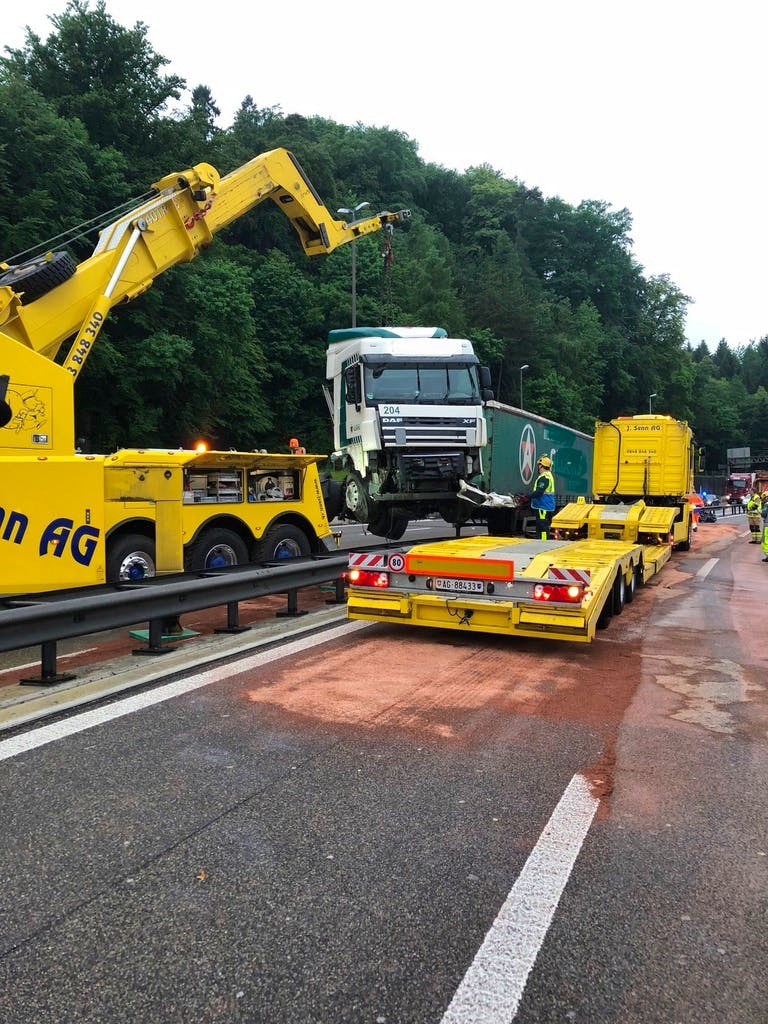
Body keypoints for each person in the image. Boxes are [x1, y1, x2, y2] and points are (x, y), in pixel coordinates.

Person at [529, 455, 556, 539]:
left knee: (542, 526)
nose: (538, 467)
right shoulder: (548, 475)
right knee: (541, 525)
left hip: (543, 506)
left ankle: (543, 543)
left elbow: (539, 492)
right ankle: (541, 541)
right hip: (546, 505)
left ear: (541, 466)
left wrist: (528, 496)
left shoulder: (544, 477)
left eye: (538, 465)